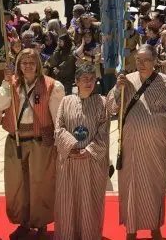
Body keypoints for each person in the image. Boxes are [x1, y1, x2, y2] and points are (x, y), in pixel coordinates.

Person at [0, 48, 65, 238]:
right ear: (18, 65)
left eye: (32, 62)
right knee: (17, 184)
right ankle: (22, 222)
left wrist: (57, 141)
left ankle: (40, 223)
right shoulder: (11, 84)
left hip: (41, 141)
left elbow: (58, 117)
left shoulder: (51, 86)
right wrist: (6, 85)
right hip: (15, 141)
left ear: (38, 64)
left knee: (41, 183)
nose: (28, 66)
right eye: (24, 63)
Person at [108, 45, 166, 240]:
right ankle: (131, 230)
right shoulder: (126, 81)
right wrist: (117, 90)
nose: (142, 64)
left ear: (155, 60)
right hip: (131, 146)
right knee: (130, 186)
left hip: (156, 146)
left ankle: (155, 229)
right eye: (138, 60)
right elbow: (112, 109)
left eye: (146, 60)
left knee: (156, 186)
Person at [53, 62, 110, 240]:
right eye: (84, 79)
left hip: (91, 163)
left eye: (92, 79)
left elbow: (104, 132)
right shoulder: (66, 101)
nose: (88, 82)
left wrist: (88, 150)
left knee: (90, 202)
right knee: (67, 202)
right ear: (77, 81)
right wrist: (71, 147)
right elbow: (59, 128)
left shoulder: (102, 103)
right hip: (69, 161)